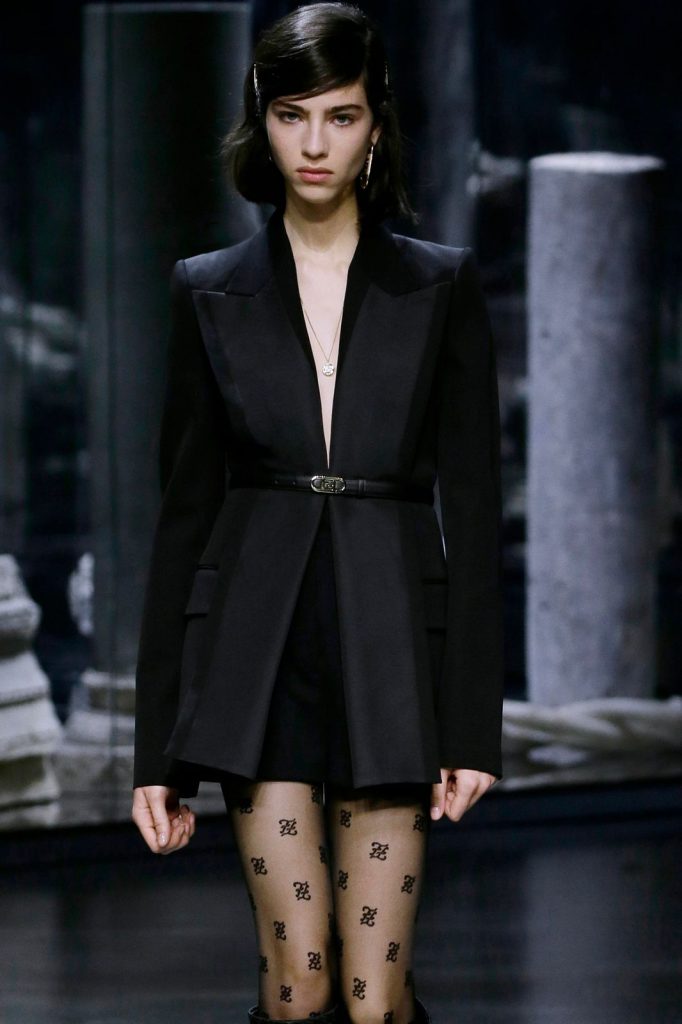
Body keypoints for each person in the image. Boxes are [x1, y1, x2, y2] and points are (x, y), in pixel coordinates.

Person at [131, 3, 505, 1023]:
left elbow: (474, 516)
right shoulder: (209, 291)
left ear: (376, 126)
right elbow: (182, 520)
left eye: (340, 116)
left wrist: (473, 724)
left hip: (394, 647)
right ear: (262, 121)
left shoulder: (440, 287)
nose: (313, 143)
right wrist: (155, 751)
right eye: (292, 115)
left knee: (372, 997)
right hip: (257, 655)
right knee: (298, 983)